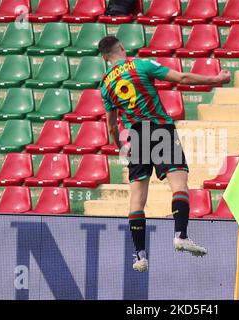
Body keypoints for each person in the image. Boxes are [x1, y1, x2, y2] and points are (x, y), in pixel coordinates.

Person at [98, 36, 231, 273]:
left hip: (135, 137)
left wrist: (120, 145)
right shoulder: (141, 65)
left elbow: (111, 125)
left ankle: (140, 255)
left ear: (104, 58)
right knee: (179, 183)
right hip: (159, 129)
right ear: (121, 47)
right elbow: (182, 78)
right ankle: (180, 235)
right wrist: (216, 79)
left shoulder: (105, 85)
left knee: (137, 198)